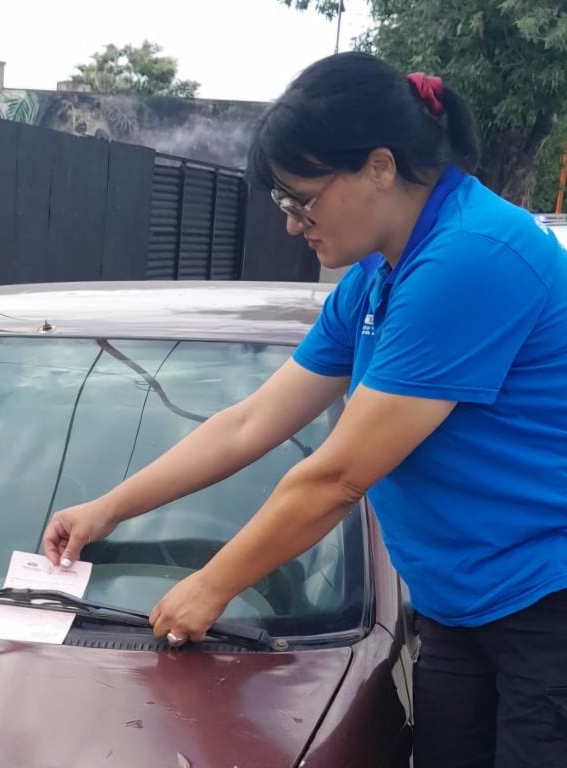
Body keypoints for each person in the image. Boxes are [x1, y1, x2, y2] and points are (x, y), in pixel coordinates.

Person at [40, 51, 567, 768]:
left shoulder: (470, 258)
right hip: (461, 603)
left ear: (379, 167)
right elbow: (251, 423)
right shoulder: (380, 278)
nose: (293, 225)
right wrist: (108, 508)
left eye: (302, 200)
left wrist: (213, 585)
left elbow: (337, 476)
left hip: (543, 606)